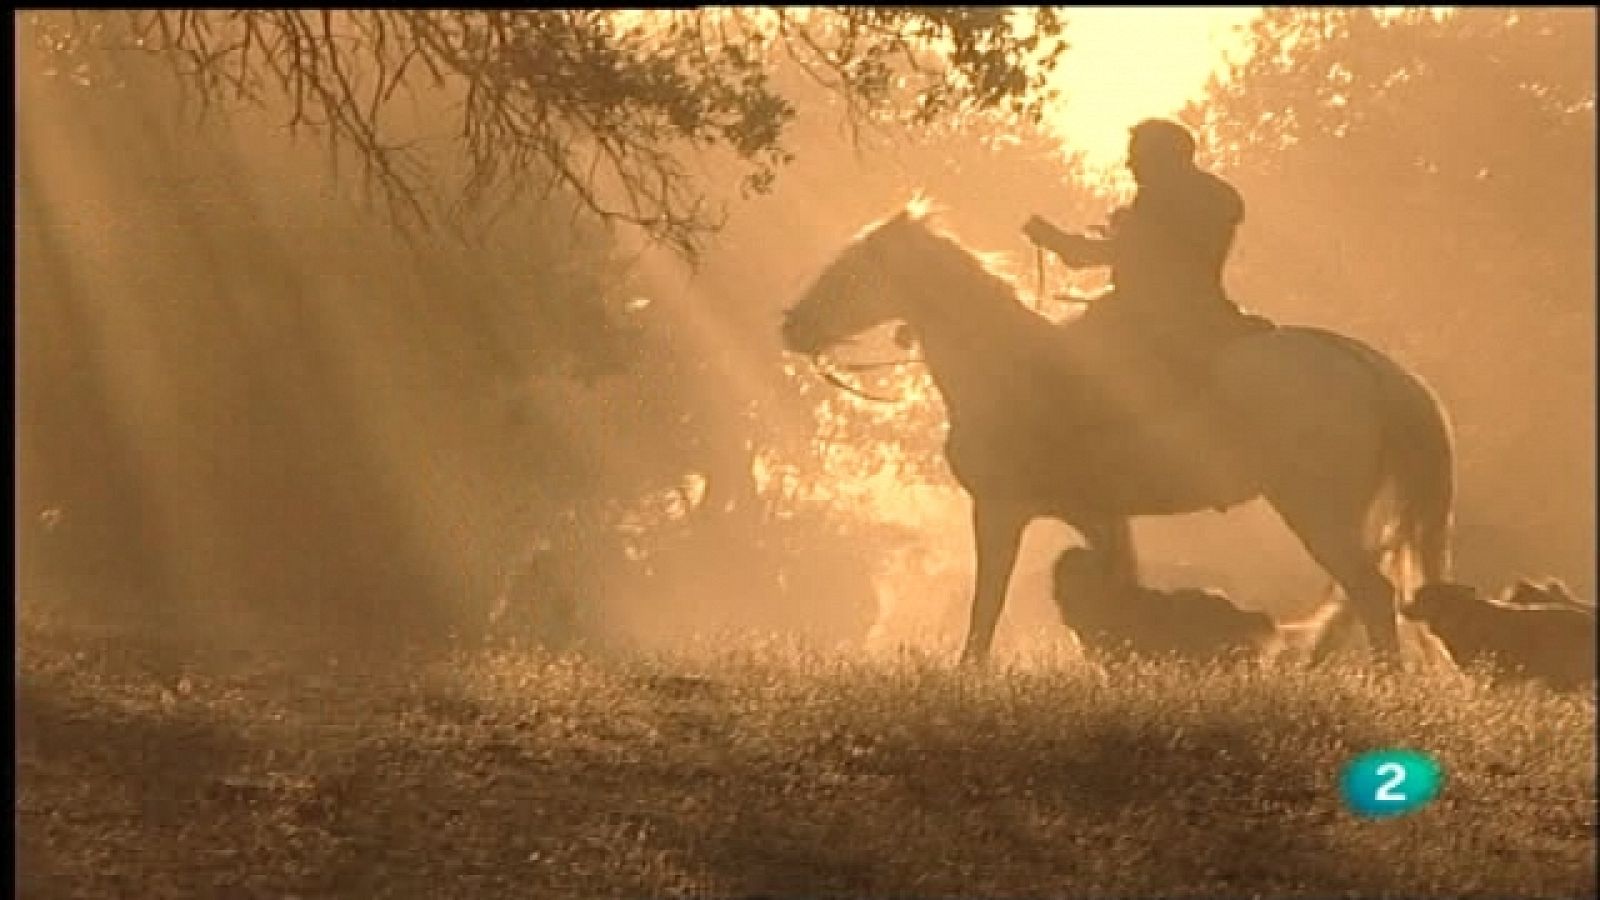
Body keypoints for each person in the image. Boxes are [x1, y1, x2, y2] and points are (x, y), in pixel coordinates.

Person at [1023, 118, 1267, 389]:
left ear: (1160, 159)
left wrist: (1056, 240)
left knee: (1063, 365)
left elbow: (1123, 254)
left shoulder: (1162, 199)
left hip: (1151, 319)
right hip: (1208, 312)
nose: (1130, 165)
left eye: (1136, 156)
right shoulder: (1203, 197)